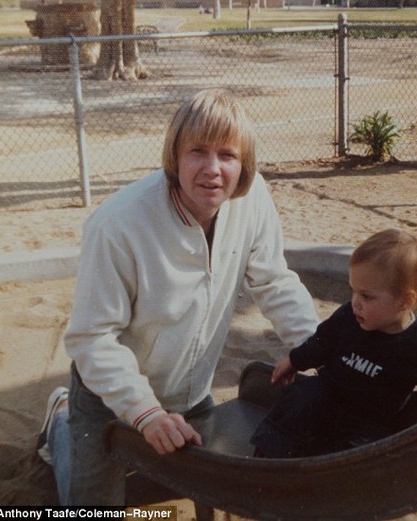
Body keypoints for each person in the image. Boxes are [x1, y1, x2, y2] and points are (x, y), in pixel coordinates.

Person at [36, 89, 319, 505]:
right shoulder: (118, 224)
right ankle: (63, 421)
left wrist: (321, 351)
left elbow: (274, 281)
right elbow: (91, 337)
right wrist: (146, 413)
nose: (212, 169)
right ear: (174, 155)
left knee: (208, 481)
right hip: (110, 395)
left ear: (244, 163)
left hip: (189, 390)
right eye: (197, 152)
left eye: (227, 154)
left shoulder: (253, 197)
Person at [250, 228, 417, 458]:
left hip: (366, 422)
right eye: (353, 290)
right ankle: (268, 456)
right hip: (326, 396)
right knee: (303, 394)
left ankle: (321, 470)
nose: (355, 302)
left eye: (367, 296)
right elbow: (322, 341)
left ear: (404, 301)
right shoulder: (349, 316)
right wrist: (294, 360)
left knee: (358, 453)